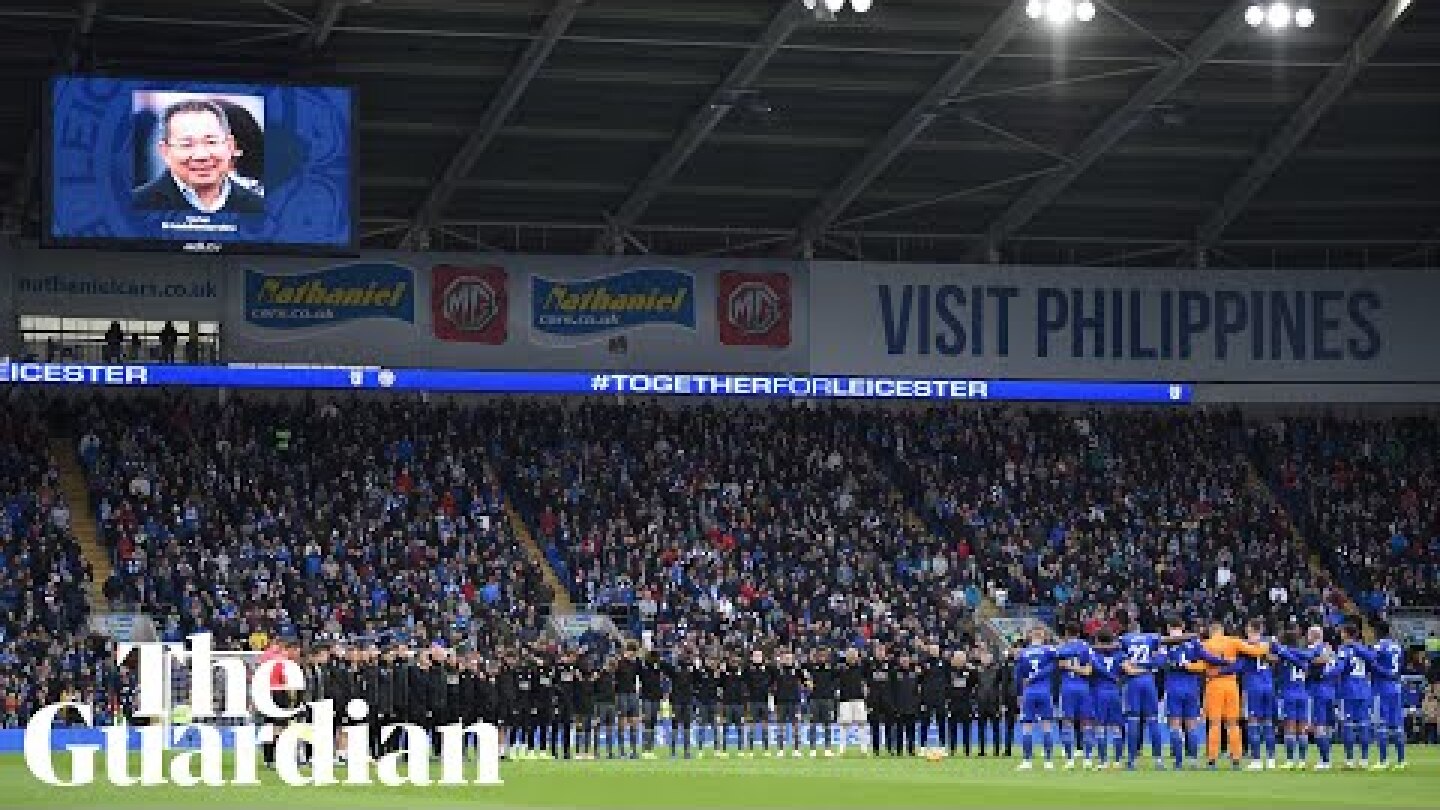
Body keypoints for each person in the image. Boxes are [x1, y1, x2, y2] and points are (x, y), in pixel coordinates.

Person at [133, 99, 264, 214]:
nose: (201, 155)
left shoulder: (259, 207)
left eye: (211, 142)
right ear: (165, 151)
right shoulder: (135, 204)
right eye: (187, 144)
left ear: (231, 146)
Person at [1198, 619, 1270, 770]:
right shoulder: (1233, 641)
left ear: (1211, 632)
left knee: (1215, 724)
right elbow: (1256, 652)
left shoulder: (1206, 644)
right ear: (1222, 631)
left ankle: (1212, 760)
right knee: (1233, 723)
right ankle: (1236, 759)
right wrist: (1268, 644)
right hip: (1231, 685)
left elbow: (1200, 665)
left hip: (1214, 684)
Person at [1236, 619, 1279, 769]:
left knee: (1253, 724)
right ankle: (1271, 759)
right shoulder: (1270, 643)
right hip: (1268, 686)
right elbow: (1278, 658)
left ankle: (1256, 760)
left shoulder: (1244, 645)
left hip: (1253, 688)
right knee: (1268, 723)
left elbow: (1239, 666)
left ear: (1250, 629)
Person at [1014, 625, 1057, 771]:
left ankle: (1027, 761)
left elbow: (1018, 676)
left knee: (1027, 728)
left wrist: (1020, 694)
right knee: (1047, 727)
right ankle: (1048, 761)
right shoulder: (1050, 650)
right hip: (1044, 692)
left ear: (1030, 636)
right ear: (1043, 636)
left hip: (1029, 693)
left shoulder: (1023, 653)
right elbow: (1055, 665)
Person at [1368, 620, 1408, 770]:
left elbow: (1371, 661)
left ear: (1377, 632)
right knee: (1397, 725)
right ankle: (1401, 760)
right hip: (1396, 687)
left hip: (1382, 688)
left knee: (1381, 726)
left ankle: (1383, 761)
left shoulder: (1379, 645)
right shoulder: (1397, 646)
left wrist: (1375, 668)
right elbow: (1400, 666)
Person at [1055, 624, 1094, 769]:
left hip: (1067, 689)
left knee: (1067, 724)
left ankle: (1070, 760)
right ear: (1078, 633)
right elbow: (1088, 672)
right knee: (1086, 724)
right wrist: (1078, 668)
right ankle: (1088, 759)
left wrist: (1068, 666)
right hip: (1083, 689)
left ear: (1066, 633)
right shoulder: (1086, 648)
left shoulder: (1061, 649)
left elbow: (1059, 665)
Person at [1088, 631, 1126, 769]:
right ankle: (1117, 761)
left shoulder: (1093, 655)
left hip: (1099, 692)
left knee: (1100, 728)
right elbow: (1126, 670)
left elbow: (1091, 669)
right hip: (1115, 692)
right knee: (1116, 728)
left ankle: (1103, 761)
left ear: (1098, 640)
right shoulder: (1120, 655)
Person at [835, 648, 866, 755]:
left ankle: (863, 748)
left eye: (854, 655)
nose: (852, 657)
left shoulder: (861, 668)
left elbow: (866, 681)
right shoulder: (841, 668)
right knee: (844, 724)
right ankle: (842, 748)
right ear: (846, 657)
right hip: (845, 700)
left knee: (861, 723)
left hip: (859, 698)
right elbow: (835, 680)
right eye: (850, 655)